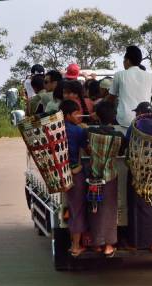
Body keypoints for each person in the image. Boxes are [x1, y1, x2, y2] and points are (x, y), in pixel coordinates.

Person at [86, 101, 124, 257]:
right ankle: (109, 245)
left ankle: (96, 243)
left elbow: (86, 148)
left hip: (94, 177)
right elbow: (122, 152)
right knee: (109, 210)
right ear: (114, 116)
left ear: (97, 116)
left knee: (95, 209)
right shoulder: (118, 136)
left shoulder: (90, 132)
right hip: (110, 176)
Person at [124, 101, 152, 252]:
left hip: (136, 169)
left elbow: (127, 143)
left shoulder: (134, 125)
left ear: (139, 113)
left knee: (135, 205)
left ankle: (135, 243)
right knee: (151, 205)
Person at [107, 45, 152, 126]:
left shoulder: (119, 75)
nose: (123, 63)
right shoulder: (150, 76)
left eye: (124, 60)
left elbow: (110, 99)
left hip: (123, 121)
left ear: (128, 61)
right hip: (143, 123)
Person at [59, 100, 89, 257]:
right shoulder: (77, 131)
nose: (79, 116)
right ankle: (76, 246)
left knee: (71, 208)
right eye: (76, 114)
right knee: (77, 210)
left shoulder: (55, 129)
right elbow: (88, 150)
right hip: (75, 173)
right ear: (67, 115)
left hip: (60, 175)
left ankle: (74, 243)